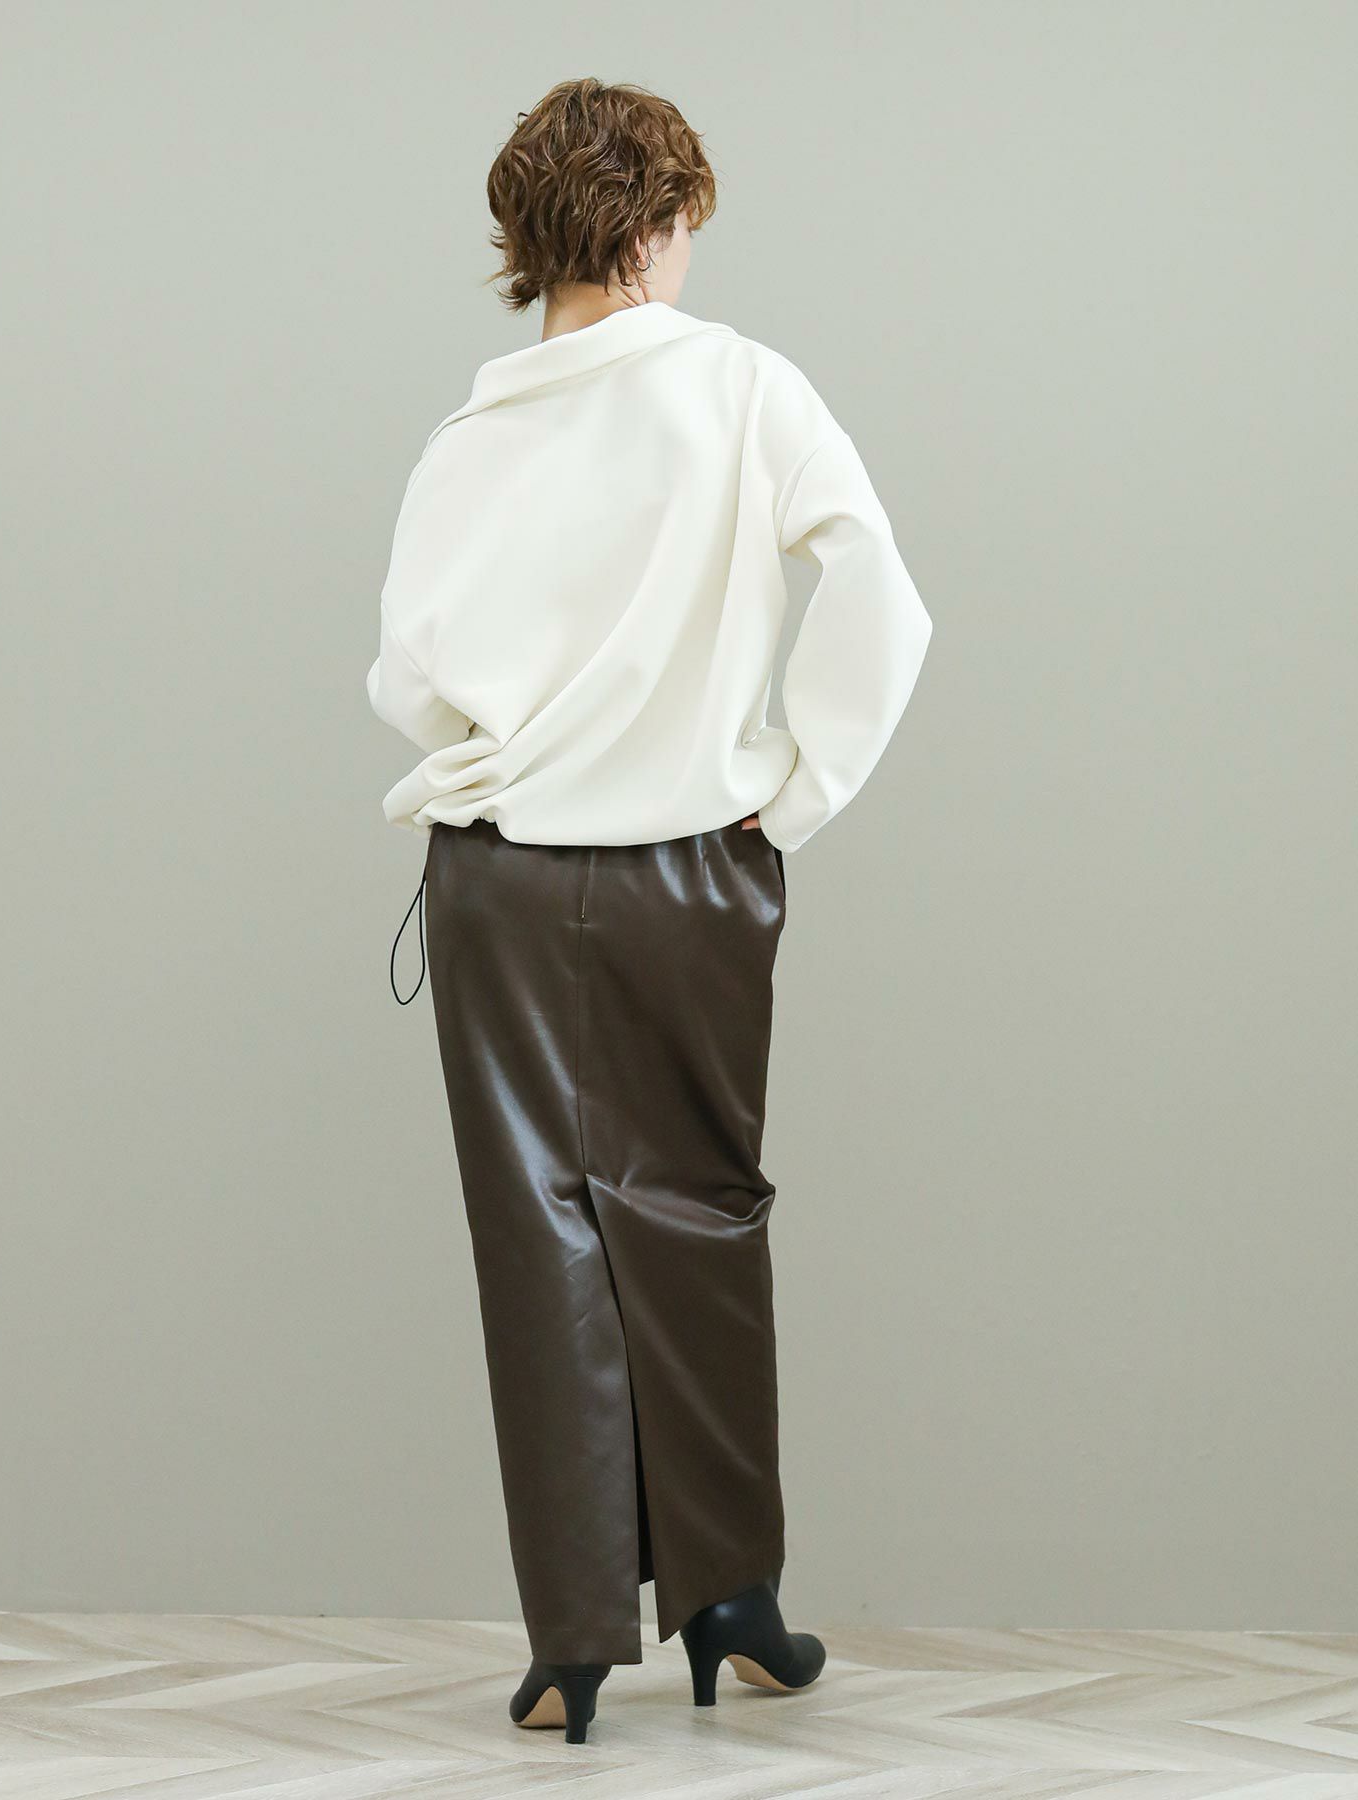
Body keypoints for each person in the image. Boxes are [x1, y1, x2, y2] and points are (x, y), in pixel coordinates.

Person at [366, 76, 933, 1746]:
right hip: (694, 861)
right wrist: (797, 788)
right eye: (685, 222)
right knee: (698, 1210)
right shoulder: (744, 387)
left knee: (536, 1232)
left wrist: (514, 746)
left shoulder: (470, 437)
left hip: (498, 873)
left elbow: (410, 674)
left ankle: (569, 1646)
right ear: (657, 223)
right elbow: (879, 590)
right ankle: (732, 1601)